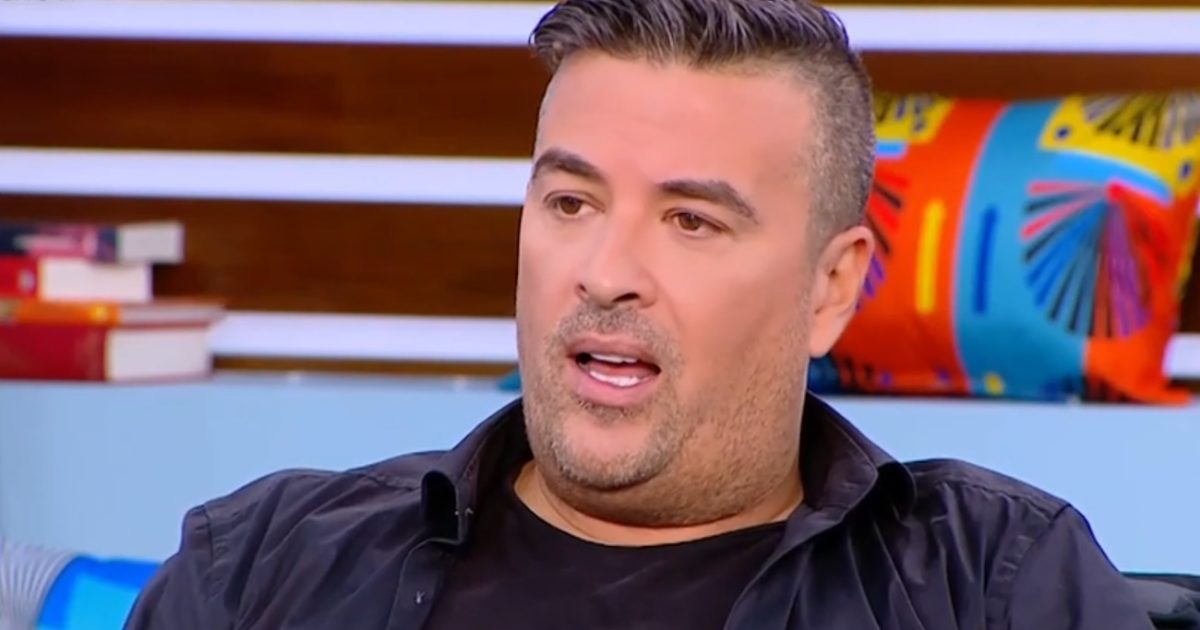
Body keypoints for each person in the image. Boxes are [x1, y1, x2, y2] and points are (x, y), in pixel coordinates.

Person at [125, 1, 1155, 628]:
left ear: (832, 287)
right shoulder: (259, 569)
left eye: (691, 221)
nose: (605, 272)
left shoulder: (994, 585)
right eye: (571, 203)